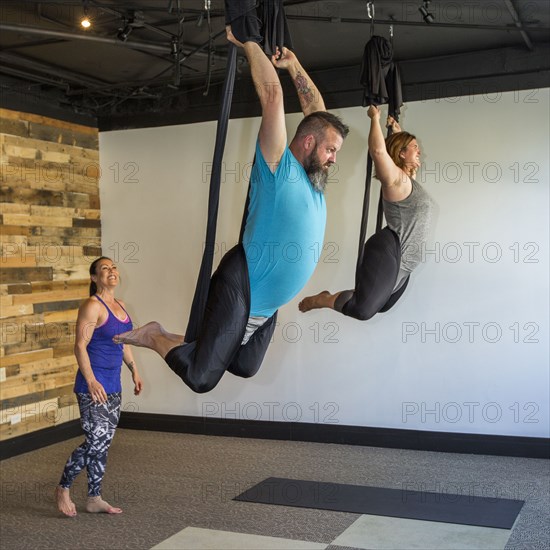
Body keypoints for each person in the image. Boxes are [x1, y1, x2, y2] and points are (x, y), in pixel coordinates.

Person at [112, 30, 349, 392]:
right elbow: (271, 96)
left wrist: (294, 64)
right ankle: (154, 336)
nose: (334, 159)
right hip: (243, 285)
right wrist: (248, 41)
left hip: (265, 308)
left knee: (244, 365)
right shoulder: (277, 168)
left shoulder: (314, 181)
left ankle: (177, 339)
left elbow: (318, 111)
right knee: (201, 377)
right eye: (331, 150)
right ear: (308, 142)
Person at [299, 105, 435, 319]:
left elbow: (396, 154)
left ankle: (330, 297)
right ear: (401, 153)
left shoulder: (408, 181)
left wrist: (397, 130)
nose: (419, 151)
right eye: (415, 147)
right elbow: (379, 152)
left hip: (404, 265)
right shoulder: (395, 180)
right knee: (362, 310)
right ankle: (322, 300)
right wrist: (374, 118)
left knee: (382, 305)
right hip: (391, 251)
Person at [55, 257, 143, 517]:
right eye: (104, 268)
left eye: (113, 267)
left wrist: (134, 368)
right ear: (94, 278)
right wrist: (92, 380)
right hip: (92, 384)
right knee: (96, 441)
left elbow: (123, 341)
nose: (111, 271)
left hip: (113, 384)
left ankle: (94, 498)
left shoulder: (121, 306)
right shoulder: (92, 306)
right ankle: (63, 488)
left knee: (103, 443)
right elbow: (79, 346)